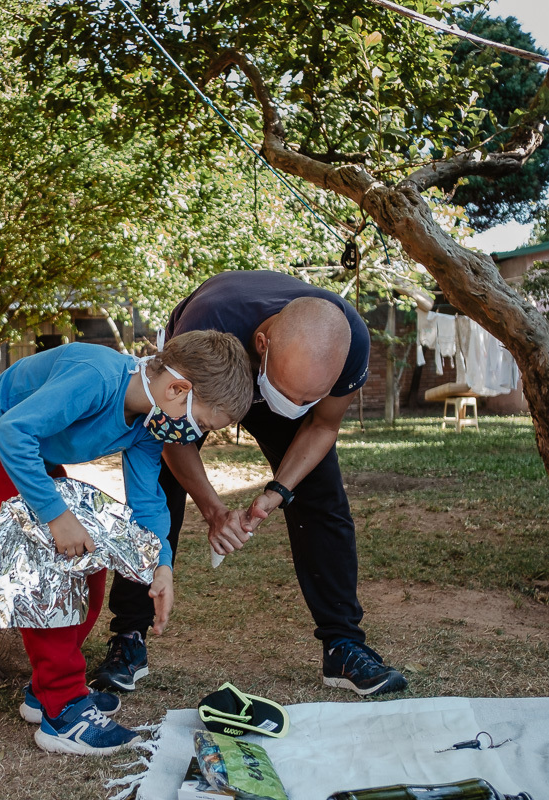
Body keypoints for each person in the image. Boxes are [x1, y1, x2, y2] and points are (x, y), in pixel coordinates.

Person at [95, 270, 409, 698]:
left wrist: (278, 491)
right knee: (157, 493)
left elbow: (322, 425)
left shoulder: (347, 341)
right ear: (264, 345)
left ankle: (344, 644)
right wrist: (213, 509)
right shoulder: (212, 321)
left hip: (273, 377)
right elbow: (170, 434)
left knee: (323, 501)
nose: (293, 407)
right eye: (290, 393)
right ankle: (128, 636)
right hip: (208, 381)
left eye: (307, 397)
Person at [0, 331, 253, 756]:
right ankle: (63, 711)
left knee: (88, 566)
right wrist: (57, 517)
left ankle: (48, 690)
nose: (193, 436)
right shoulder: (95, 377)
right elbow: (11, 432)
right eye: (200, 424)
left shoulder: (151, 425)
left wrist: (161, 565)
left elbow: (149, 503)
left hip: (33, 453)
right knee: (48, 577)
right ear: (177, 389)